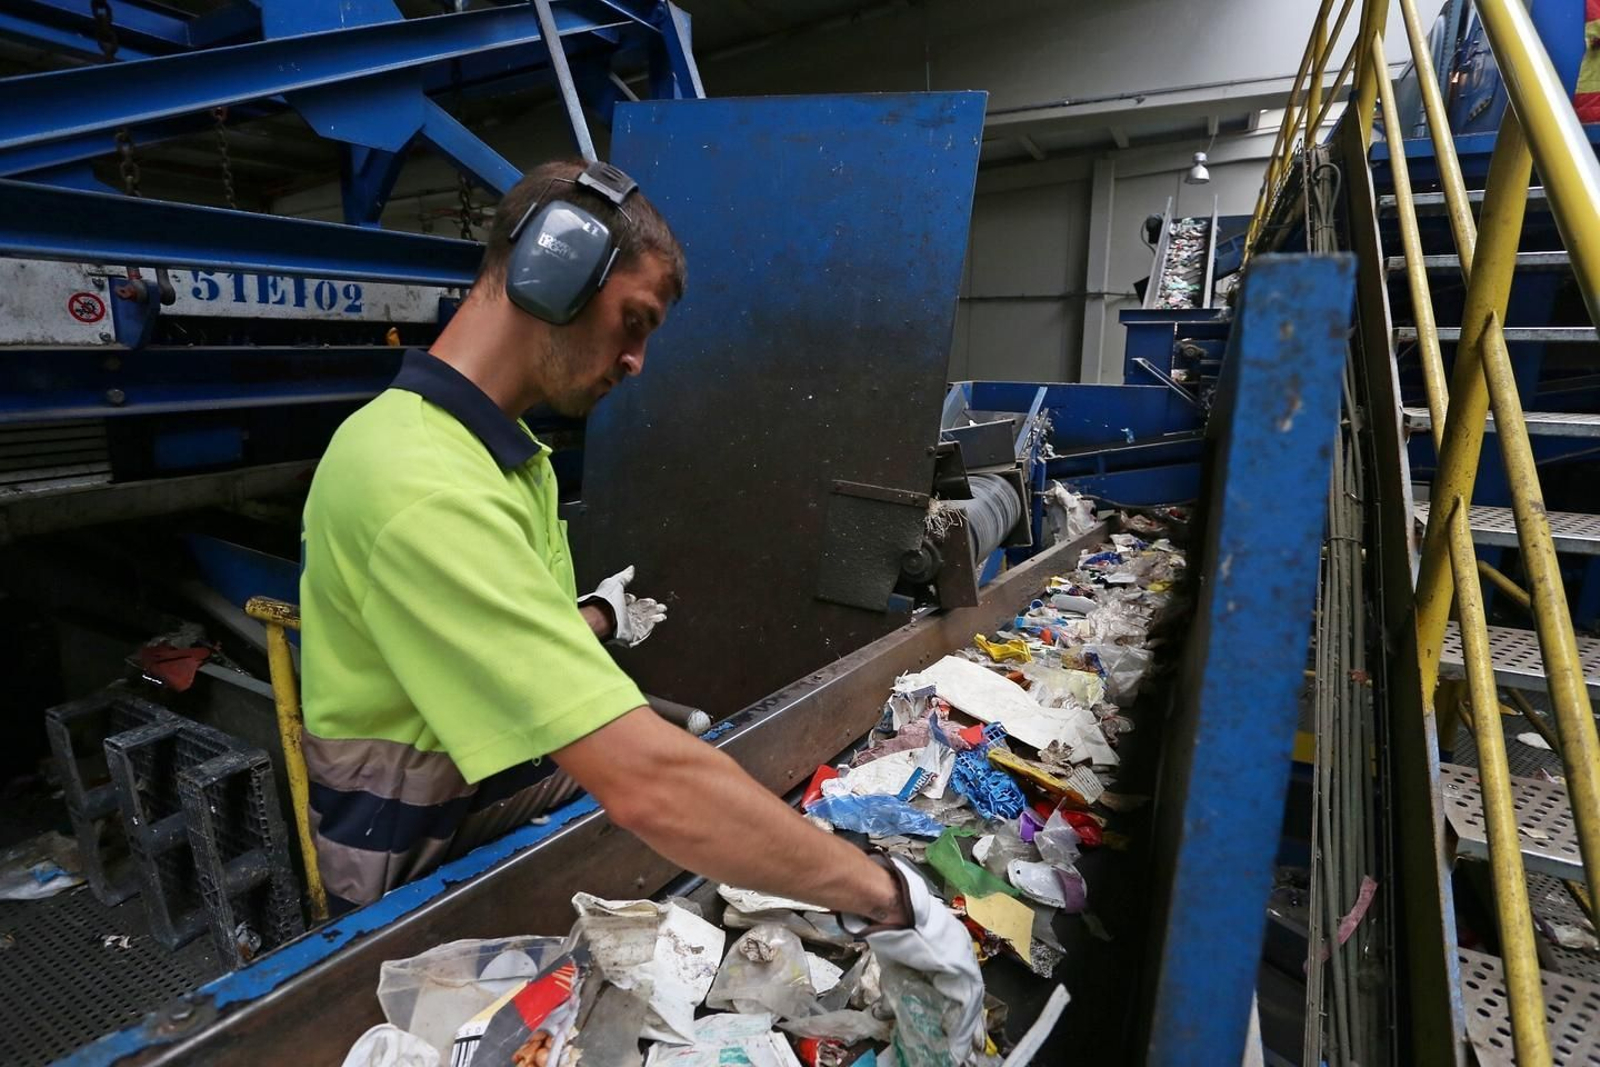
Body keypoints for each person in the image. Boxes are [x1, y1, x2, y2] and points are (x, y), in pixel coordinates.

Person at [300, 158, 982, 1056]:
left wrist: (595, 622)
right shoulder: (416, 478)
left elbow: (491, 661)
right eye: (634, 321)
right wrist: (892, 900)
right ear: (551, 268)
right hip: (415, 871)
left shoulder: (506, 458)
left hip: (485, 804)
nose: (636, 360)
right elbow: (647, 781)